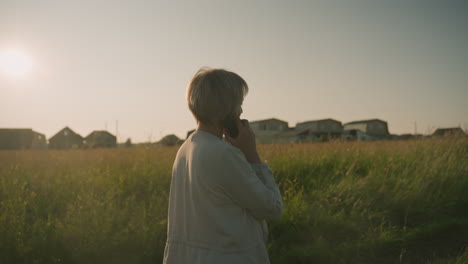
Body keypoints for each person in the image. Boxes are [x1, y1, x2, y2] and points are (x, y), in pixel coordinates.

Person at [163, 67, 283, 264]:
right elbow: (272, 208)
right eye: (239, 104)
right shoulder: (223, 154)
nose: (241, 111)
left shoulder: (185, 149)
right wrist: (251, 153)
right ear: (226, 108)